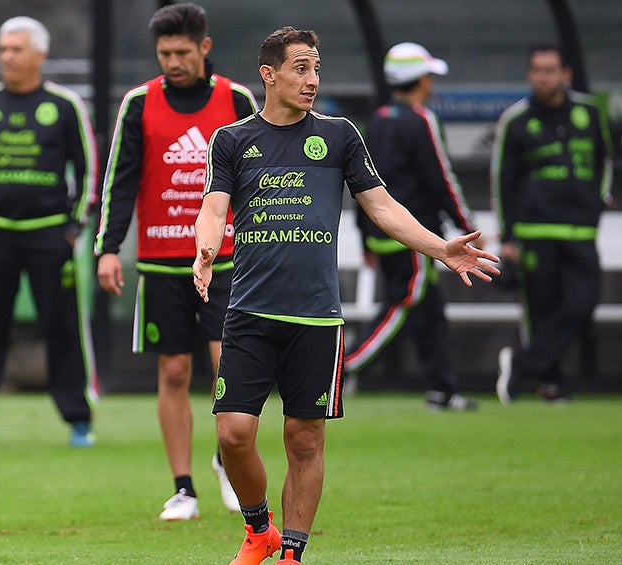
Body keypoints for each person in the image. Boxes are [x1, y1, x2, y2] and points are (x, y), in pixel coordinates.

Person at [192, 27, 499, 565]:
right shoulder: (233, 139)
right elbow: (215, 207)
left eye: (316, 69)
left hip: (315, 317)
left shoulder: (339, 136)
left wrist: (439, 248)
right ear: (269, 75)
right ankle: (258, 527)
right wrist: (204, 249)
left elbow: (382, 206)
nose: (312, 80)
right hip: (248, 312)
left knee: (304, 439)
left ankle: (290, 552)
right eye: (300, 69)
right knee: (234, 434)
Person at [94, 2, 257, 520]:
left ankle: (227, 462)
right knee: (174, 371)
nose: (172, 62)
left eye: (181, 52)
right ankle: (184, 488)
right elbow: (119, 180)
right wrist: (107, 249)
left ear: (204, 47)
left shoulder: (237, 99)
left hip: (228, 260)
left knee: (227, 370)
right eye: (164, 53)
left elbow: (259, 178)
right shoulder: (139, 103)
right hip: (163, 263)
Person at [0, 16, 98, 447]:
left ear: (40, 55)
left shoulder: (65, 105)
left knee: (62, 329)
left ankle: (78, 420)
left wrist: (73, 226)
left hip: (50, 236)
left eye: (16, 49)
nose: (6, 56)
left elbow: (87, 171)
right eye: (2, 49)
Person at [344, 42, 480, 411]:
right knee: (403, 303)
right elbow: (442, 180)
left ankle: (443, 390)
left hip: (381, 233)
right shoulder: (421, 120)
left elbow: (360, 185)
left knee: (430, 310)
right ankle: (341, 367)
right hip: (415, 236)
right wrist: (468, 227)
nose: (430, 84)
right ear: (419, 80)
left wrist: (365, 239)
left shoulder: (377, 120)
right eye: (428, 76)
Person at [492, 45, 614, 404]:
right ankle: (550, 382)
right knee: (542, 309)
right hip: (535, 232)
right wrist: (508, 235)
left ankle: (522, 364)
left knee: (582, 304)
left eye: (550, 70)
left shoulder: (590, 112)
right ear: (530, 75)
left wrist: (597, 203)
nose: (543, 76)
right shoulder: (515, 120)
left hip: (580, 230)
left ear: (566, 74)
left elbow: (604, 160)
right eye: (537, 70)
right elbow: (503, 180)